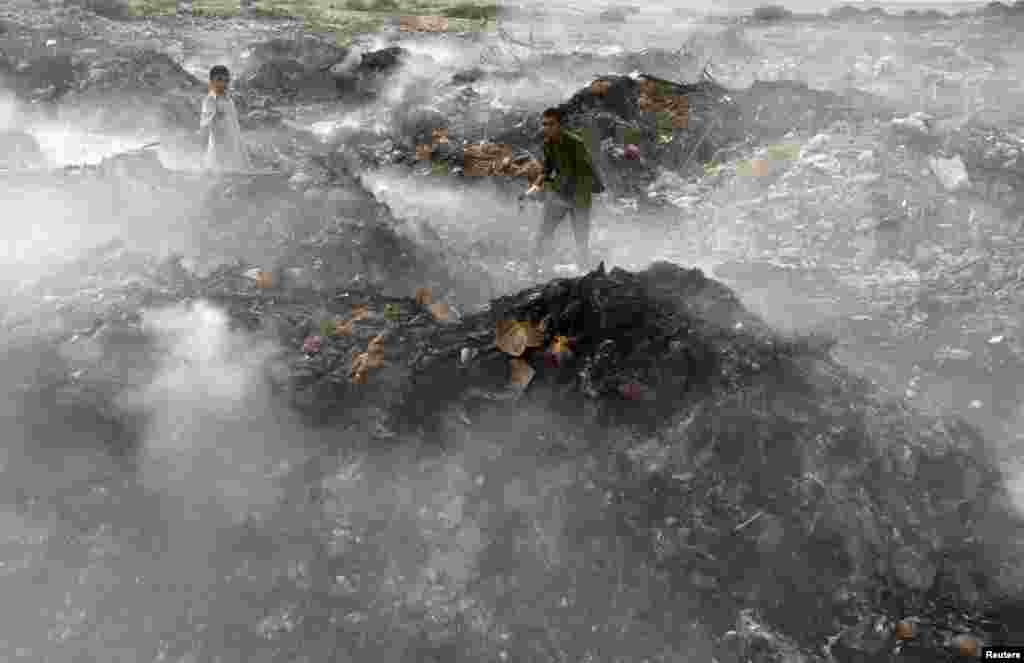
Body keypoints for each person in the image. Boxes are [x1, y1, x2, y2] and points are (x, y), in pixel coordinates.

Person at [525, 107, 604, 270]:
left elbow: (586, 169)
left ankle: (584, 272)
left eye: (551, 124)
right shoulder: (547, 143)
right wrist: (535, 186)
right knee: (543, 232)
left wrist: (591, 189)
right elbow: (547, 169)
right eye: (544, 124)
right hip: (558, 194)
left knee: (581, 239)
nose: (546, 128)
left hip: (579, 196)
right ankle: (533, 268)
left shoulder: (575, 143)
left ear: (560, 125)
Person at [199, 65, 251, 173]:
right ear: (211, 81)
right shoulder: (210, 101)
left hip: (234, 151)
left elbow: (236, 128)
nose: (223, 84)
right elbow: (204, 126)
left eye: (226, 80)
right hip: (219, 155)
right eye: (219, 80)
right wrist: (214, 117)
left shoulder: (229, 100)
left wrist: (245, 158)